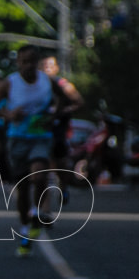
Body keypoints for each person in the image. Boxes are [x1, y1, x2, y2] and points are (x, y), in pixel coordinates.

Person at [0, 45, 80, 257]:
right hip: (17, 139)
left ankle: (37, 212)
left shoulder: (48, 82)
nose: (28, 66)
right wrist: (8, 115)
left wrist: (54, 116)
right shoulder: (10, 83)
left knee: (39, 174)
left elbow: (71, 101)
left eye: (32, 62)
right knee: (22, 187)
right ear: (18, 63)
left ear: (37, 63)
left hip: (40, 137)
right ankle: (25, 228)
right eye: (24, 61)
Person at [39, 54, 84, 201]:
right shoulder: (36, 85)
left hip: (59, 128)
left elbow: (79, 102)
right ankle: (43, 200)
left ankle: (63, 186)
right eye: (45, 66)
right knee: (43, 161)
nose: (48, 69)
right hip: (41, 128)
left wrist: (62, 112)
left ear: (57, 68)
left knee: (60, 160)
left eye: (51, 66)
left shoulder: (64, 85)